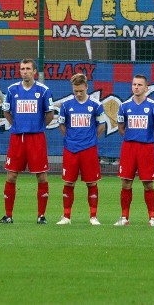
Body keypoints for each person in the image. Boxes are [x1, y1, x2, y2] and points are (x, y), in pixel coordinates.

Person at [0, 58, 54, 224]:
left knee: (42, 177)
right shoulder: (12, 90)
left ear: (34, 72)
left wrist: (37, 126)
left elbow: (50, 115)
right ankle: (8, 215)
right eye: (22, 68)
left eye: (28, 68)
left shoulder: (43, 91)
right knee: (11, 176)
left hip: (36, 138)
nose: (25, 71)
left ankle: (41, 216)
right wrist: (16, 124)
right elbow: (6, 112)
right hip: (17, 138)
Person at [114, 74, 154, 227]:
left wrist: (147, 140)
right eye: (134, 84)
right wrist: (132, 136)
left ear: (146, 88)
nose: (136, 87)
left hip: (146, 148)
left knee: (148, 184)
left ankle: (152, 218)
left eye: (140, 85)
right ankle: (124, 217)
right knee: (126, 183)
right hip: (129, 148)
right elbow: (121, 128)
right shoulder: (124, 106)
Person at [57, 73, 105, 226]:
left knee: (91, 183)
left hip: (89, 149)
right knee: (69, 183)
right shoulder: (66, 105)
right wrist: (71, 139)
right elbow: (62, 126)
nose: (78, 94)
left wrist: (90, 140)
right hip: (71, 149)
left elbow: (101, 126)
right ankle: (66, 217)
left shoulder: (96, 105)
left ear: (86, 87)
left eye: (81, 91)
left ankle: (93, 217)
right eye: (75, 90)